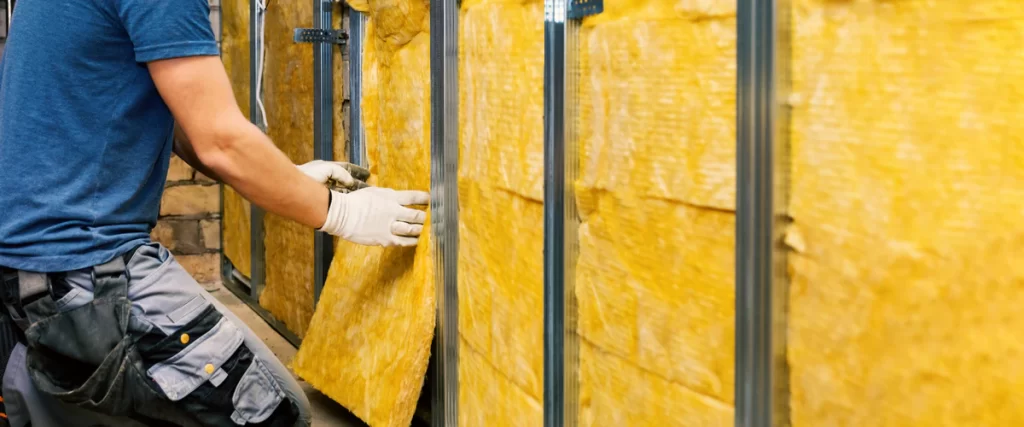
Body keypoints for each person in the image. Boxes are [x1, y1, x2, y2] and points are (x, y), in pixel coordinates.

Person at [0, 0, 431, 423]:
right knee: (271, 411)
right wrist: (343, 214)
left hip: (28, 271)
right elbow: (220, 140)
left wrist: (288, 177)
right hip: (85, 272)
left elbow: (176, 121)